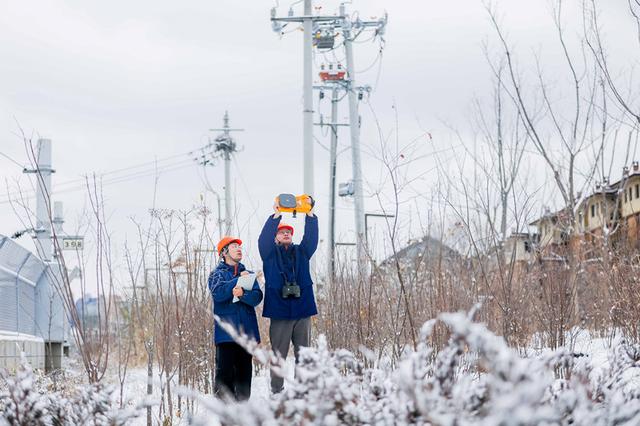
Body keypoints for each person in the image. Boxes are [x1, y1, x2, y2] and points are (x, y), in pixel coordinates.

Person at [258, 197, 318, 394]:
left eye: (289, 232)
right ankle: (277, 391)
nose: (286, 234)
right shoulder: (269, 254)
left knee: (304, 354)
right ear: (276, 237)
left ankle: (302, 391)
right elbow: (263, 240)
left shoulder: (302, 252)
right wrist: (276, 215)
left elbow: (311, 238)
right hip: (279, 311)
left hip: (302, 310)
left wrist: (310, 215)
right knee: (279, 355)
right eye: (282, 232)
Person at [208, 236, 263, 401]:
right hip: (226, 335)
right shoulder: (216, 275)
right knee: (224, 380)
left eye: (239, 247)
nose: (239, 249)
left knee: (244, 380)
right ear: (224, 252)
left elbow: (257, 297)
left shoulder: (249, 275)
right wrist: (237, 281)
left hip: (246, 334)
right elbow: (218, 294)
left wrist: (243, 294)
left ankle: (243, 412)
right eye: (234, 247)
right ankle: (223, 413)